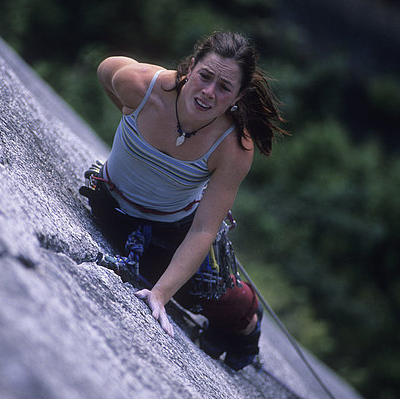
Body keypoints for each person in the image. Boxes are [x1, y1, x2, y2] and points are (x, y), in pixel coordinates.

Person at [83, 31, 287, 371]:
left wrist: (161, 294)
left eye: (224, 87)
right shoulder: (141, 85)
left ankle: (248, 324)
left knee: (212, 298)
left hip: (174, 229)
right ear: (190, 68)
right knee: (149, 269)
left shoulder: (233, 146)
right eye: (205, 76)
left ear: (238, 95)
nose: (208, 92)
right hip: (112, 206)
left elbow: (205, 229)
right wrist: (134, 118)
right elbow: (106, 70)